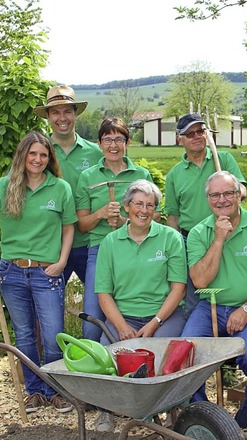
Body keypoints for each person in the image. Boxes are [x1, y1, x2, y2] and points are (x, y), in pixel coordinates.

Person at [0, 131, 76, 414]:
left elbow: (69, 227)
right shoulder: (6, 186)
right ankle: (34, 391)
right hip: (12, 272)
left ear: (49, 159)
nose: (37, 159)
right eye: (32, 153)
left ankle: (55, 391)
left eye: (43, 155)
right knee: (23, 336)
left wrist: (61, 262)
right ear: (23, 155)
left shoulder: (60, 188)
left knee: (53, 335)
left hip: (47, 272)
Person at [180, 171, 247, 430]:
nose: (222, 200)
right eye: (215, 195)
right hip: (210, 306)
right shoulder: (200, 232)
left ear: (239, 195)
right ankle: (205, 415)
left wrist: (246, 309)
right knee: (186, 355)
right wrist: (219, 239)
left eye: (228, 193)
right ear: (208, 199)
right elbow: (200, 281)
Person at [93, 179, 187, 432]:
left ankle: (170, 407)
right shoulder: (110, 243)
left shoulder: (171, 238)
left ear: (156, 209)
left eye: (150, 205)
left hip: (164, 315)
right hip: (124, 316)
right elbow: (104, 294)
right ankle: (106, 410)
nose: (144, 210)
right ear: (126, 207)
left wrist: (155, 322)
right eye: (138, 204)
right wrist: (121, 326)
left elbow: (179, 288)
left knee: (166, 357)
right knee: (105, 357)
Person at [75, 117, 157, 342]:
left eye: (119, 139)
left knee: (132, 309)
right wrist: (100, 214)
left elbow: (155, 216)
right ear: (99, 144)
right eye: (107, 139)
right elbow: (82, 225)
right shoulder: (88, 177)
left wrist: (125, 223)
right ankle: (95, 368)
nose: (113, 145)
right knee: (92, 318)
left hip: (136, 248)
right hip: (100, 250)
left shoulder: (141, 175)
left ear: (127, 142)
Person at [165, 113, 247, 315]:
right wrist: (171, 248)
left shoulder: (224, 159)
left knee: (230, 285)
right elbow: (173, 217)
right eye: (190, 133)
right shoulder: (175, 174)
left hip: (227, 234)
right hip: (190, 240)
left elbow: (242, 190)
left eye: (200, 131)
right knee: (194, 293)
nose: (196, 136)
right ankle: (197, 333)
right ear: (179, 139)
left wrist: (230, 191)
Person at [34, 84, 103, 286]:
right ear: (47, 116)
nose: (61, 118)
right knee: (45, 310)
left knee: (99, 304)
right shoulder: (37, 152)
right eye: (55, 112)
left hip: (89, 243)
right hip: (50, 246)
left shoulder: (96, 153)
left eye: (67, 111)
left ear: (75, 114)